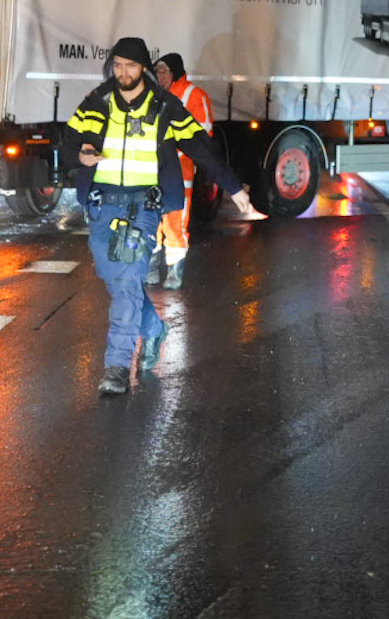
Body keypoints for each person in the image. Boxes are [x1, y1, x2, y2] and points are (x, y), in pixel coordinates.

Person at [67, 37, 256, 395]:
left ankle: (117, 368)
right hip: (102, 202)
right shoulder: (98, 101)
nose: (123, 72)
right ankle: (154, 329)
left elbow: (201, 147)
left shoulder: (165, 107)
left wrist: (234, 189)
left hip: (143, 207)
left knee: (126, 282)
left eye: (131, 66)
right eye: (118, 65)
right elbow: (69, 138)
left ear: (143, 69)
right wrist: (82, 154)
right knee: (114, 277)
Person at [151, 50, 217, 289]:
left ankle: (174, 272)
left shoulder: (193, 95)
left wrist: (177, 152)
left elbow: (202, 135)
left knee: (175, 222)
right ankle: (151, 268)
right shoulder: (156, 96)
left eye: (164, 71)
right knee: (152, 220)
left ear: (175, 72)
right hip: (154, 170)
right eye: (157, 71)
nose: (160, 76)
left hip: (180, 172)